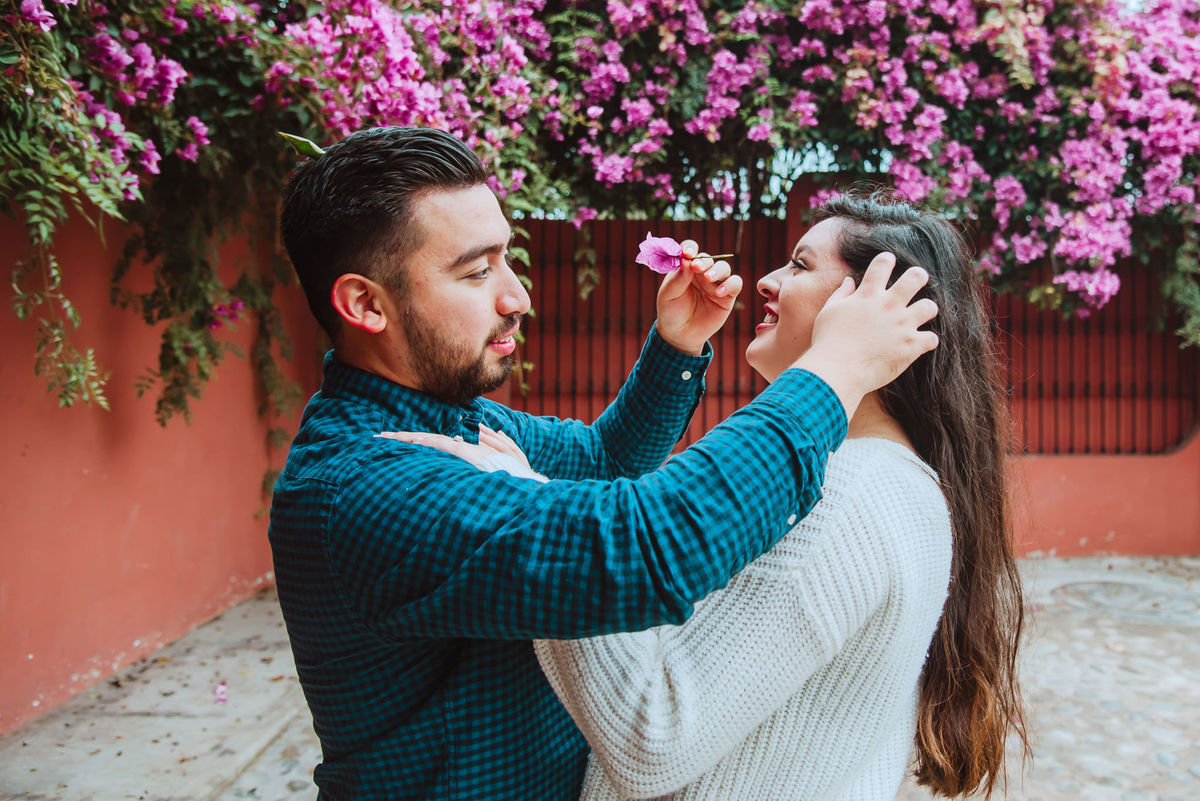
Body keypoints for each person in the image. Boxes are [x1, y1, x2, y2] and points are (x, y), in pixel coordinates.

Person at [270, 127, 938, 801]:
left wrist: (676, 345)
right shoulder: (369, 481)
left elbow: (601, 461)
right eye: (475, 272)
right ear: (364, 304)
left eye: (506, 259)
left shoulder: (459, 418)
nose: (516, 297)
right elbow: (645, 545)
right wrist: (832, 375)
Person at [412, 190, 1029, 800]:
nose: (765, 279)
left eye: (801, 265)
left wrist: (524, 507)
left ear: (869, 307)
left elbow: (651, 734)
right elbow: (607, 467)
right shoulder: (889, 477)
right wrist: (676, 347)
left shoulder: (844, 496)